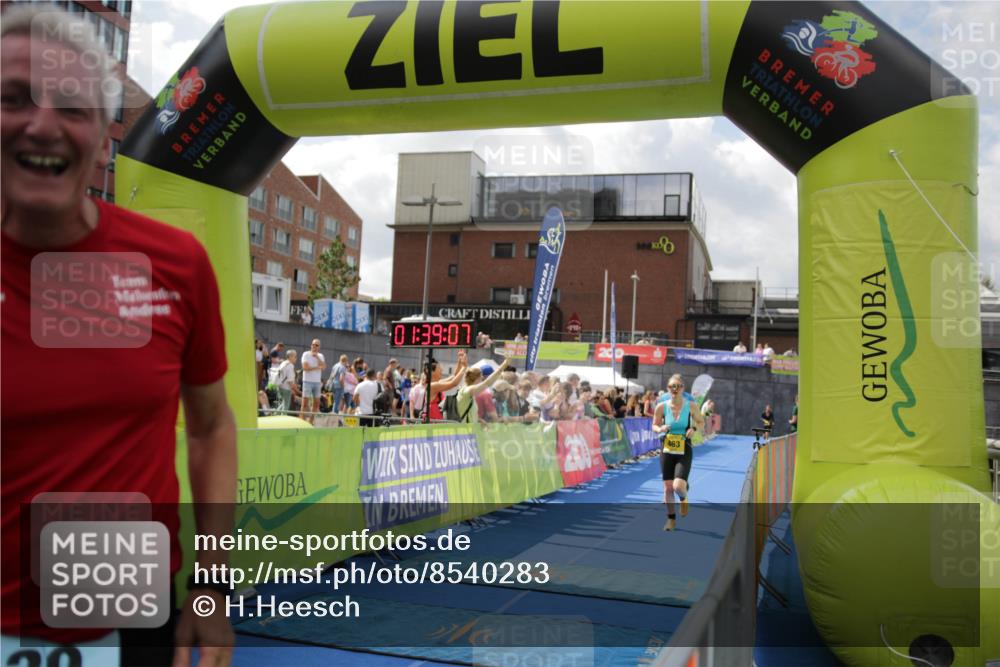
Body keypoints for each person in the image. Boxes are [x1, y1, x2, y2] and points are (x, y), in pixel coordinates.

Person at [1, 8, 235, 664]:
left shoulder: (176, 263)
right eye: (12, 99)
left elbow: (213, 426)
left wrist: (211, 588)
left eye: (72, 107)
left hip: (128, 621)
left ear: (105, 142)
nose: (41, 123)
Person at [652, 374, 704, 531]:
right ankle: (671, 520)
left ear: (682, 388)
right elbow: (654, 425)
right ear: (668, 389)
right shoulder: (661, 406)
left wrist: (693, 429)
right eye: (671, 386)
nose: (674, 389)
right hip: (667, 449)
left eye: (677, 386)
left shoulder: (691, 406)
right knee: (668, 488)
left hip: (684, 449)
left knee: (678, 487)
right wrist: (660, 428)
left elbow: (701, 422)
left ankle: (683, 497)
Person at [457, 359, 510, 424]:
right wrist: (503, 365)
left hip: (468, 429)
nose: (482, 380)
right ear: (477, 379)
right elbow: (487, 383)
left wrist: (479, 420)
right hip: (464, 431)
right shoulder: (468, 390)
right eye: (481, 378)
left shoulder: (466, 390)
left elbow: (468, 413)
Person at [423, 351, 469, 422]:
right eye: (439, 368)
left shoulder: (436, 383)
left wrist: (459, 361)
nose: (442, 370)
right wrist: (464, 367)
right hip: (433, 422)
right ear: (432, 372)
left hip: (436, 420)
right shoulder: (432, 386)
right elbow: (453, 383)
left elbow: (454, 376)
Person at [299, 339, 326, 423]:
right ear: (311, 345)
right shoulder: (306, 354)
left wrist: (317, 357)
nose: (314, 346)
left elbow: (324, 367)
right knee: (304, 403)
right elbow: (305, 368)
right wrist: (317, 367)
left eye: (316, 345)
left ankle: (311, 421)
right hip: (307, 381)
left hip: (317, 382)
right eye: (313, 344)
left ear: (319, 347)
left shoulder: (321, 356)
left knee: (317, 403)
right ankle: (301, 421)